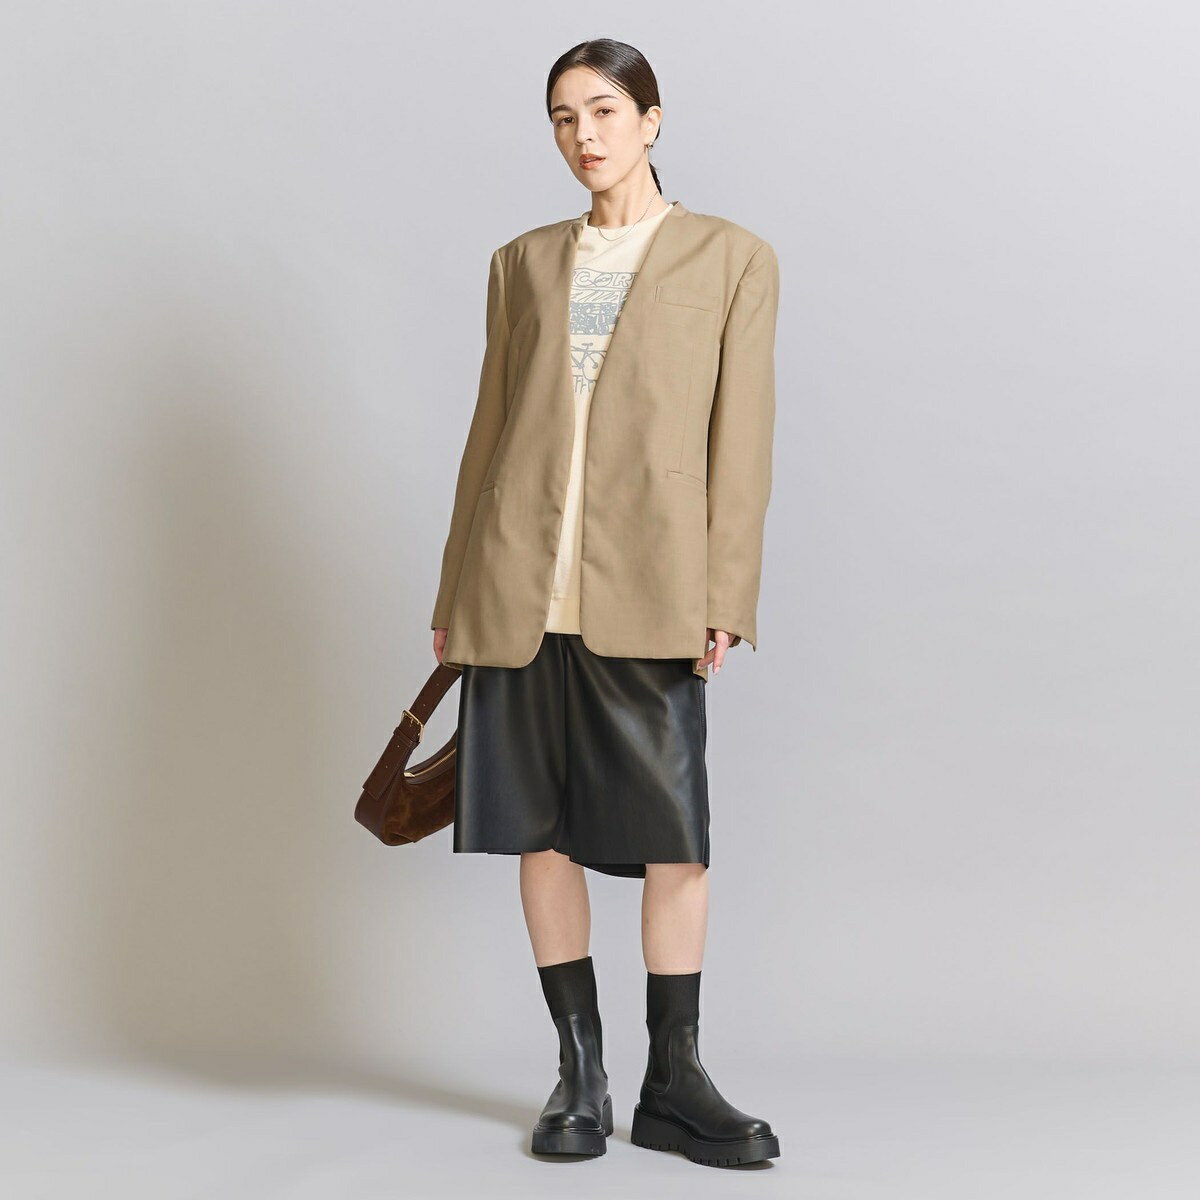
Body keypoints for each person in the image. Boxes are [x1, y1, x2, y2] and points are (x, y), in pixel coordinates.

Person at [430, 38, 781, 1167]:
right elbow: (487, 435)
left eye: (604, 111)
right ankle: (579, 1074)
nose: (584, 135)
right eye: (562, 117)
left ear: (652, 119)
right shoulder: (521, 263)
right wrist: (455, 587)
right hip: (518, 587)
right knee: (541, 833)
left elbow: (742, 443)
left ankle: (674, 1081)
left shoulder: (732, 258)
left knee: (676, 843)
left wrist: (726, 594)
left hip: (652, 587)